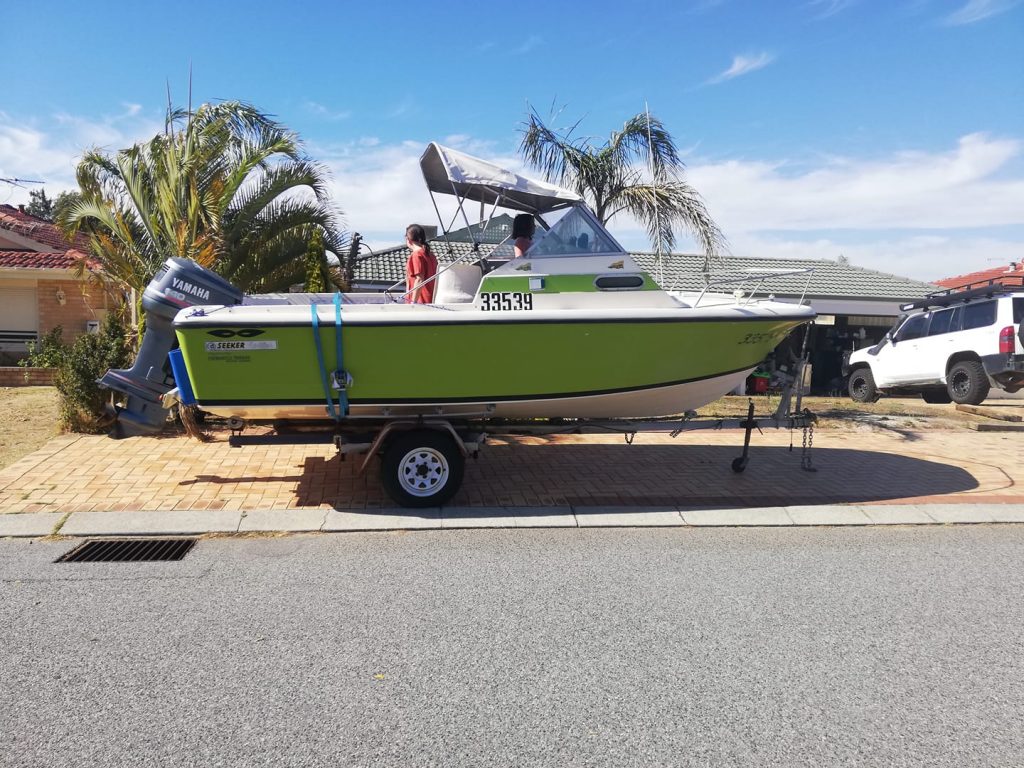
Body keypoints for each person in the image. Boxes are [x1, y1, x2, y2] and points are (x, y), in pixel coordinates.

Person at [405, 224, 438, 303]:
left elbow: (419, 279)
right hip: (431, 300)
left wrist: (413, 303)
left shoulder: (416, 255)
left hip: (420, 302)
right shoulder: (431, 255)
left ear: (408, 240)